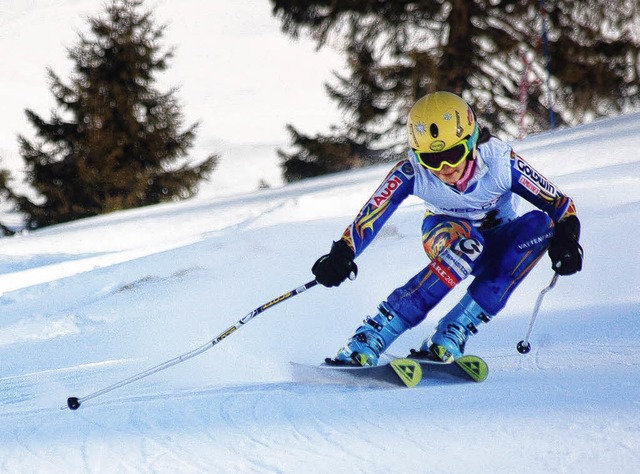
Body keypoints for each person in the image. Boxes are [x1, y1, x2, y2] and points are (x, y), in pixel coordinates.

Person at [311, 91, 583, 366]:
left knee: (542, 225)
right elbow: (370, 218)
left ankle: (452, 332)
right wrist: (341, 255)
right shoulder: (411, 171)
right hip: (446, 236)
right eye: (431, 159)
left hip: (500, 246)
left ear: (472, 140)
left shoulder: (501, 162)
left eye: (454, 154)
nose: (444, 168)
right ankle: (372, 335)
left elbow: (560, 205)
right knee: (469, 244)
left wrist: (568, 241)